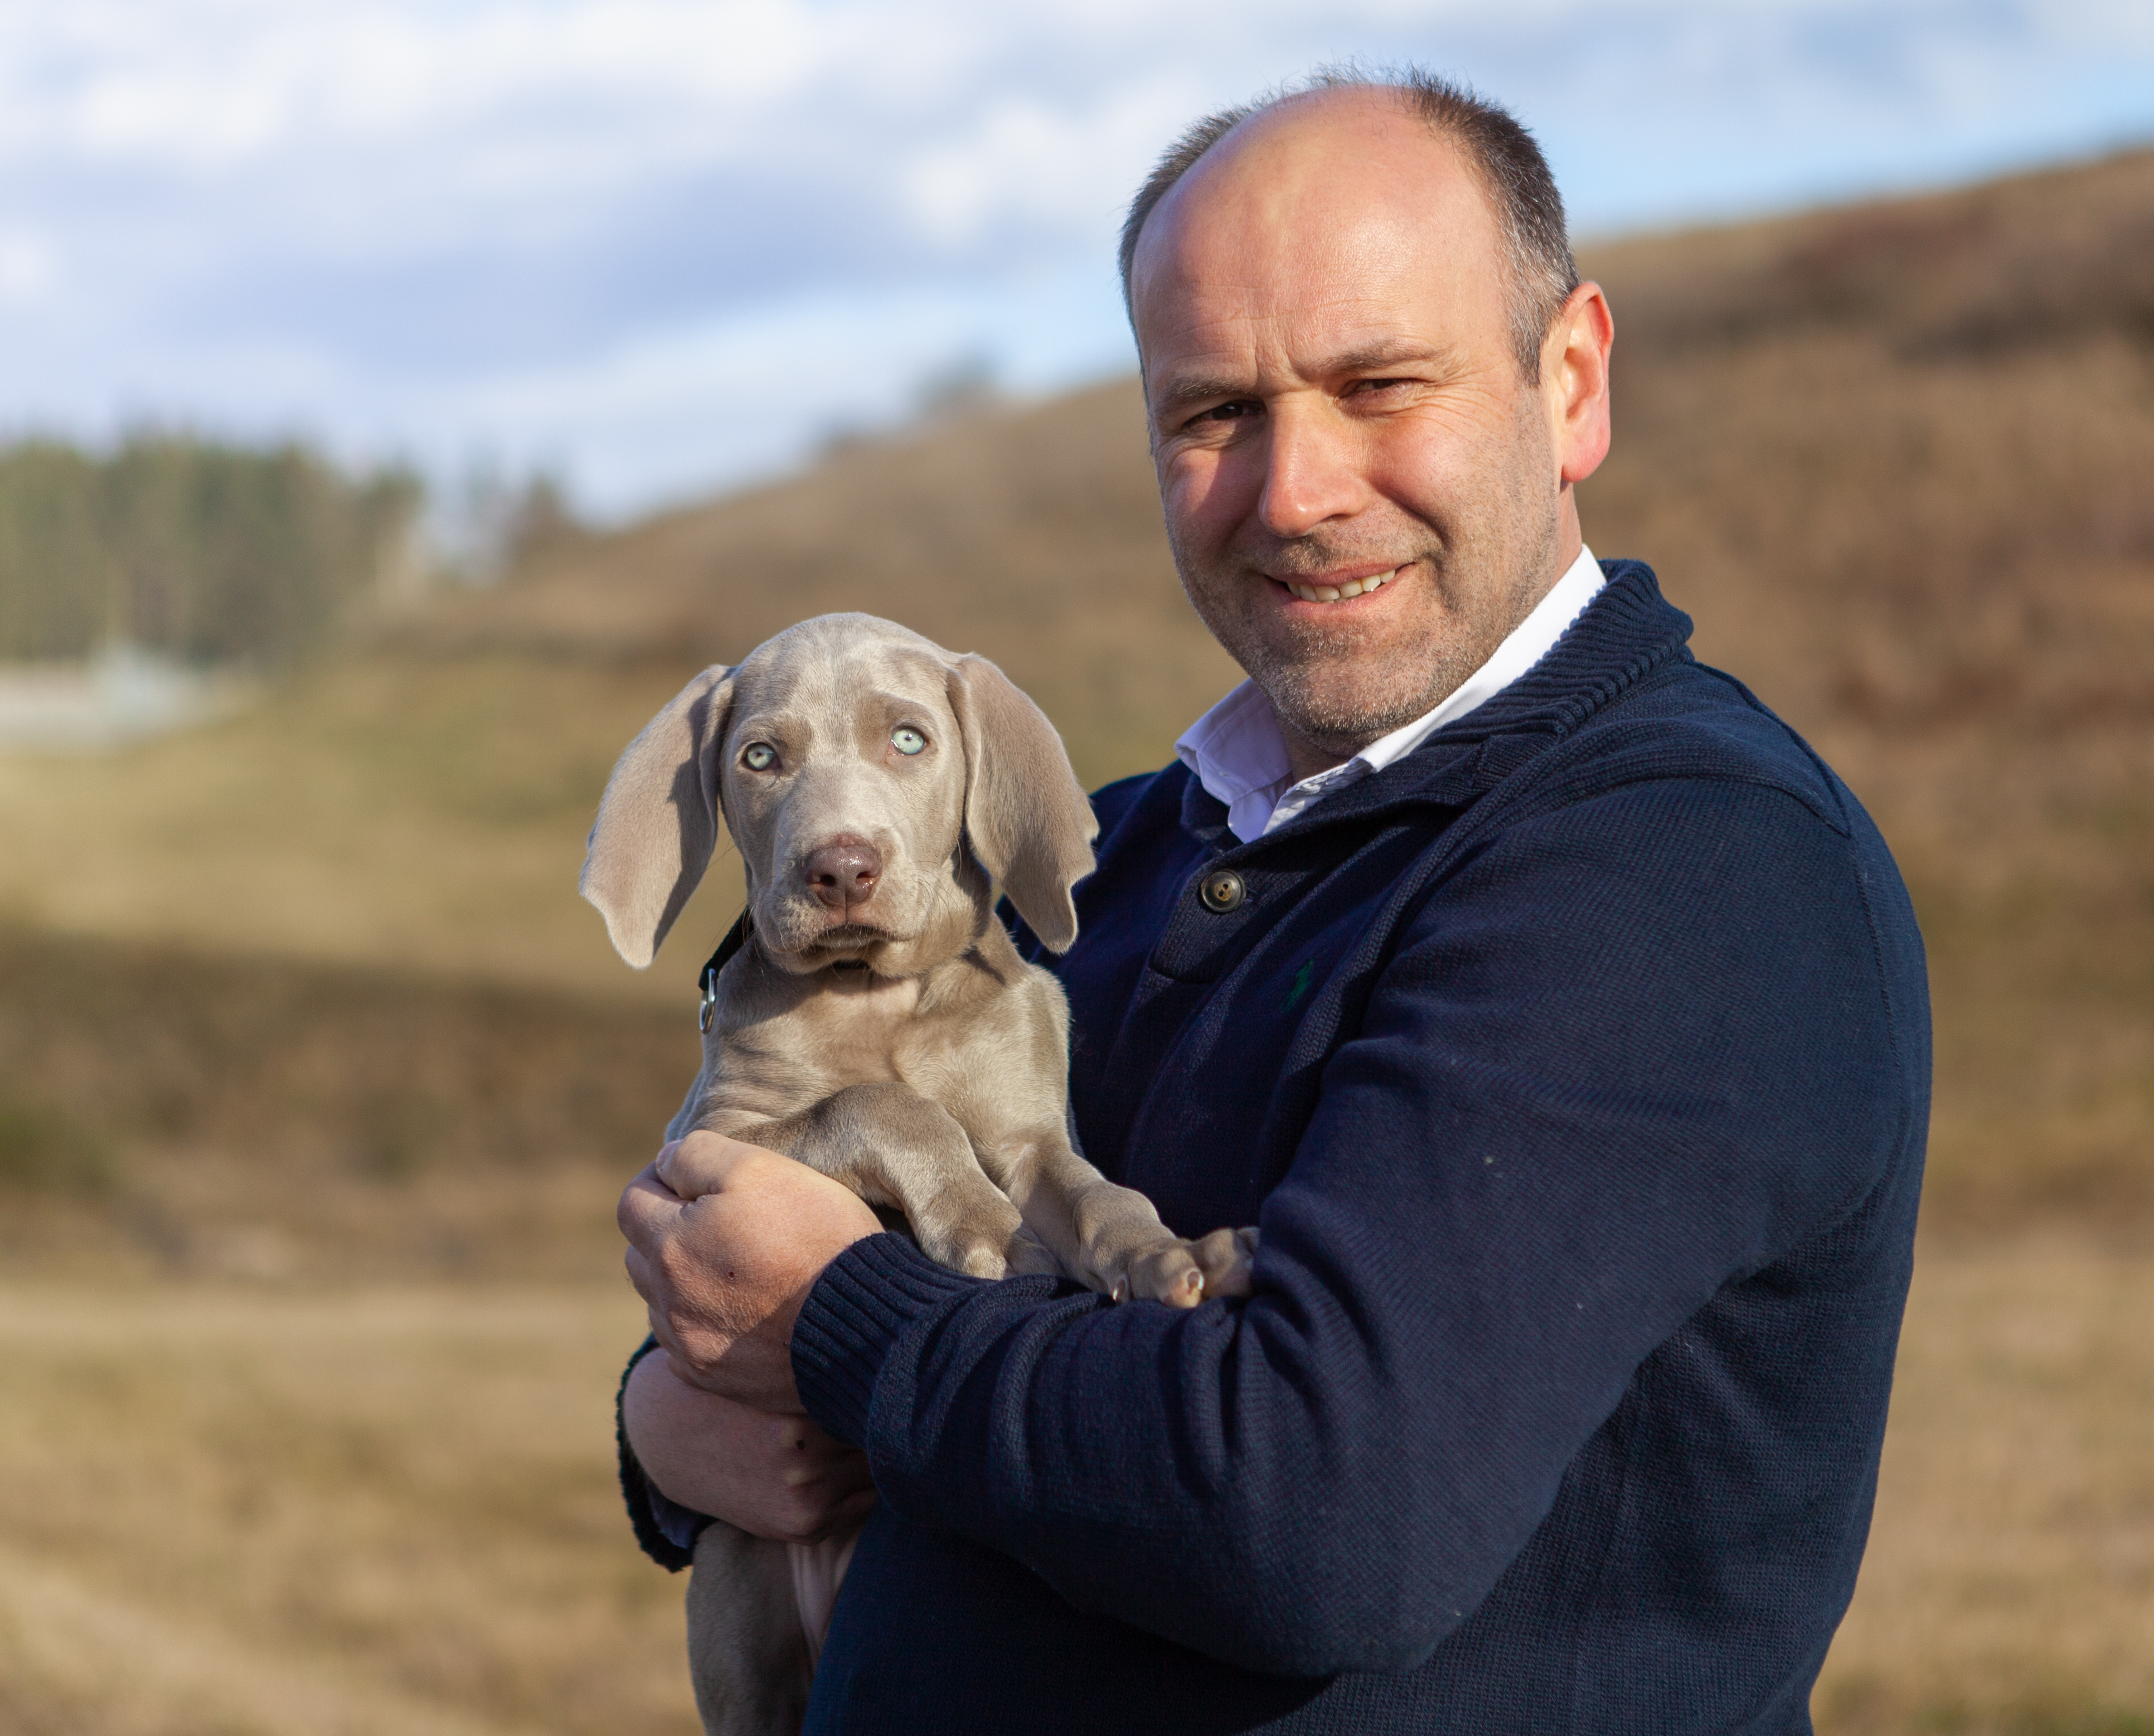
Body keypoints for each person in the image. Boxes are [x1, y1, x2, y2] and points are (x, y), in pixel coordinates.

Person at [617, 67, 1930, 1735]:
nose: (1295, 488)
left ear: (1574, 379)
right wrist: (669, 1423)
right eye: (1216, 411)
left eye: (1381, 384)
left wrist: (845, 1331)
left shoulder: (1685, 860)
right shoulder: (1115, 858)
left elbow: (1315, 1513)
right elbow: (779, 1299)